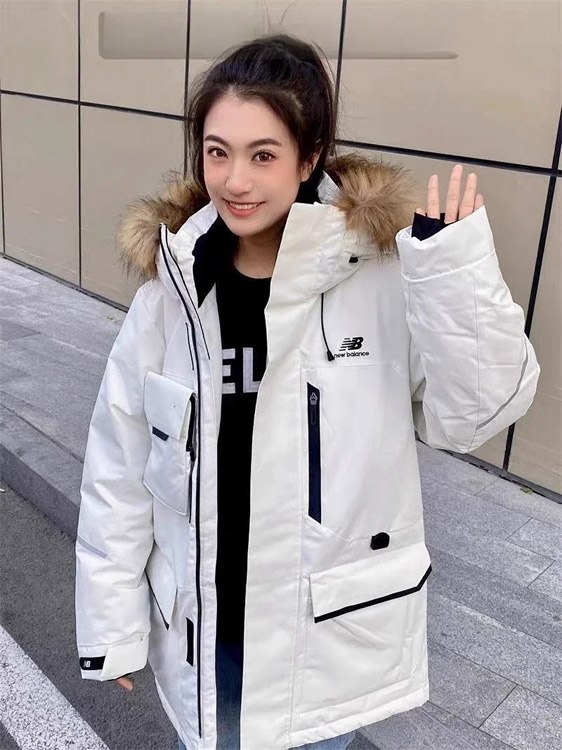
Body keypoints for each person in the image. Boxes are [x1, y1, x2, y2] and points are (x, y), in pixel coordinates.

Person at [74, 33, 539, 750]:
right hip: (203, 640)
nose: (235, 180)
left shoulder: (377, 278)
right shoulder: (175, 293)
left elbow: (475, 415)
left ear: (309, 156)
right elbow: (120, 466)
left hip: (315, 653)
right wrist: (111, 625)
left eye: (263, 155)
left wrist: (454, 278)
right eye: (218, 152)